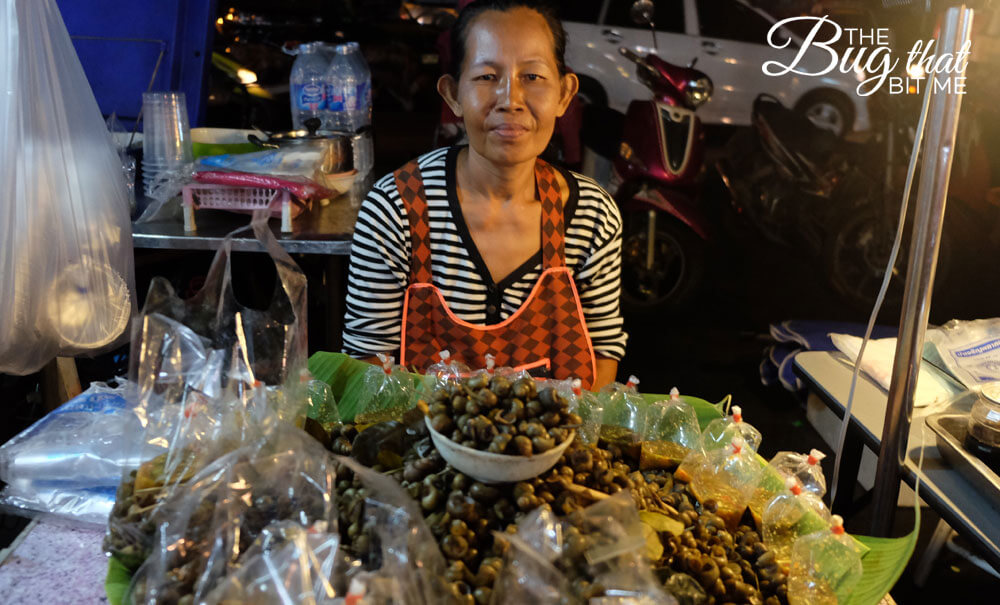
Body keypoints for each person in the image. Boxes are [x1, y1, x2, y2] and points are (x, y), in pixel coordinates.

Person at [342, 0, 626, 389]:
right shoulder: (395, 209)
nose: (510, 100)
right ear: (453, 94)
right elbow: (369, 362)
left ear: (564, 93)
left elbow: (602, 353)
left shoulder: (592, 216)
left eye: (532, 76)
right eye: (487, 76)